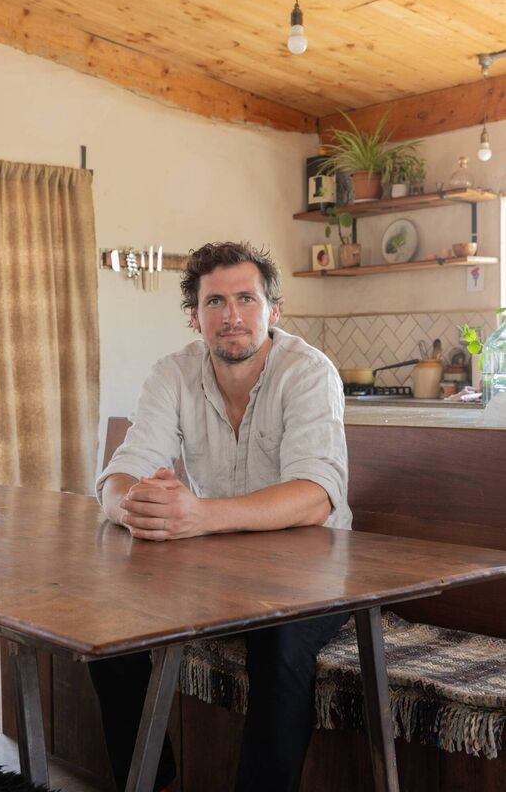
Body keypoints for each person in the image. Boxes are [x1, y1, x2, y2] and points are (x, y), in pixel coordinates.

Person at [91, 241, 351, 792]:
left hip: (316, 573)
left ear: (272, 311)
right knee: (108, 624)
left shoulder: (307, 373)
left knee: (277, 643)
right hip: (218, 570)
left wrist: (199, 515)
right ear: (195, 317)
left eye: (245, 299)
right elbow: (120, 474)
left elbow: (315, 496)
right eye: (214, 302)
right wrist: (136, 508)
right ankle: (151, 783)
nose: (231, 316)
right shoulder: (172, 373)